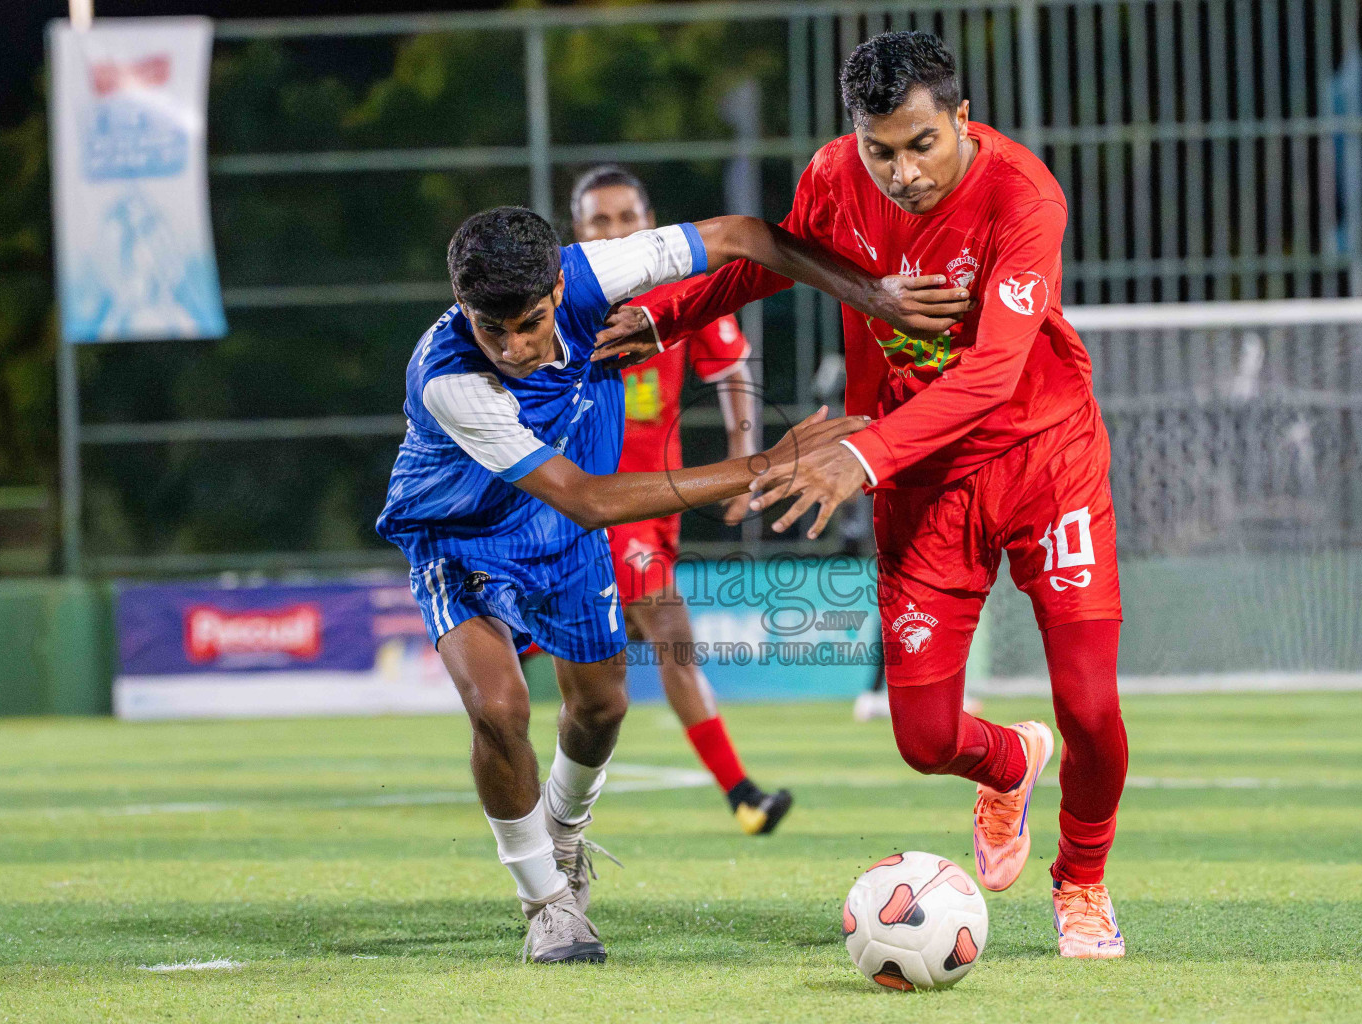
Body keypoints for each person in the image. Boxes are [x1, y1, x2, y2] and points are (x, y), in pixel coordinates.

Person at [596, 32, 1128, 959]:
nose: (901, 171)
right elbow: (777, 262)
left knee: (1088, 705)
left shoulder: (1022, 196)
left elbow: (997, 373)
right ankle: (1009, 764)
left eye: (922, 144)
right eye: (880, 148)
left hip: (1045, 461)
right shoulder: (836, 176)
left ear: (961, 120)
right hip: (922, 484)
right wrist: (666, 315)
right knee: (922, 739)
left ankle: (1081, 883)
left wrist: (867, 452)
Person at [376, 205, 967, 964]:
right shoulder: (448, 379)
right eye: (494, 329)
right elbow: (587, 495)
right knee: (499, 707)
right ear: (465, 309)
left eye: (528, 323)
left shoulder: (593, 273)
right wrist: (765, 465)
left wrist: (875, 296)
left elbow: (743, 236)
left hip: (559, 538)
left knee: (601, 708)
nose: (515, 347)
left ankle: (563, 838)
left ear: (558, 286)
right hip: (458, 537)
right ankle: (547, 904)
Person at [569, 165, 792, 835]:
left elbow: (730, 364)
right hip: (597, 507)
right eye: (598, 221)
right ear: (576, 233)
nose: (614, 231)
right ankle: (743, 796)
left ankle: (557, 815)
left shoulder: (678, 290)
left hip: (656, 504)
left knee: (598, 666)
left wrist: (742, 454)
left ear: (649, 221)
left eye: (626, 217)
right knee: (669, 634)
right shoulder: (562, 301)